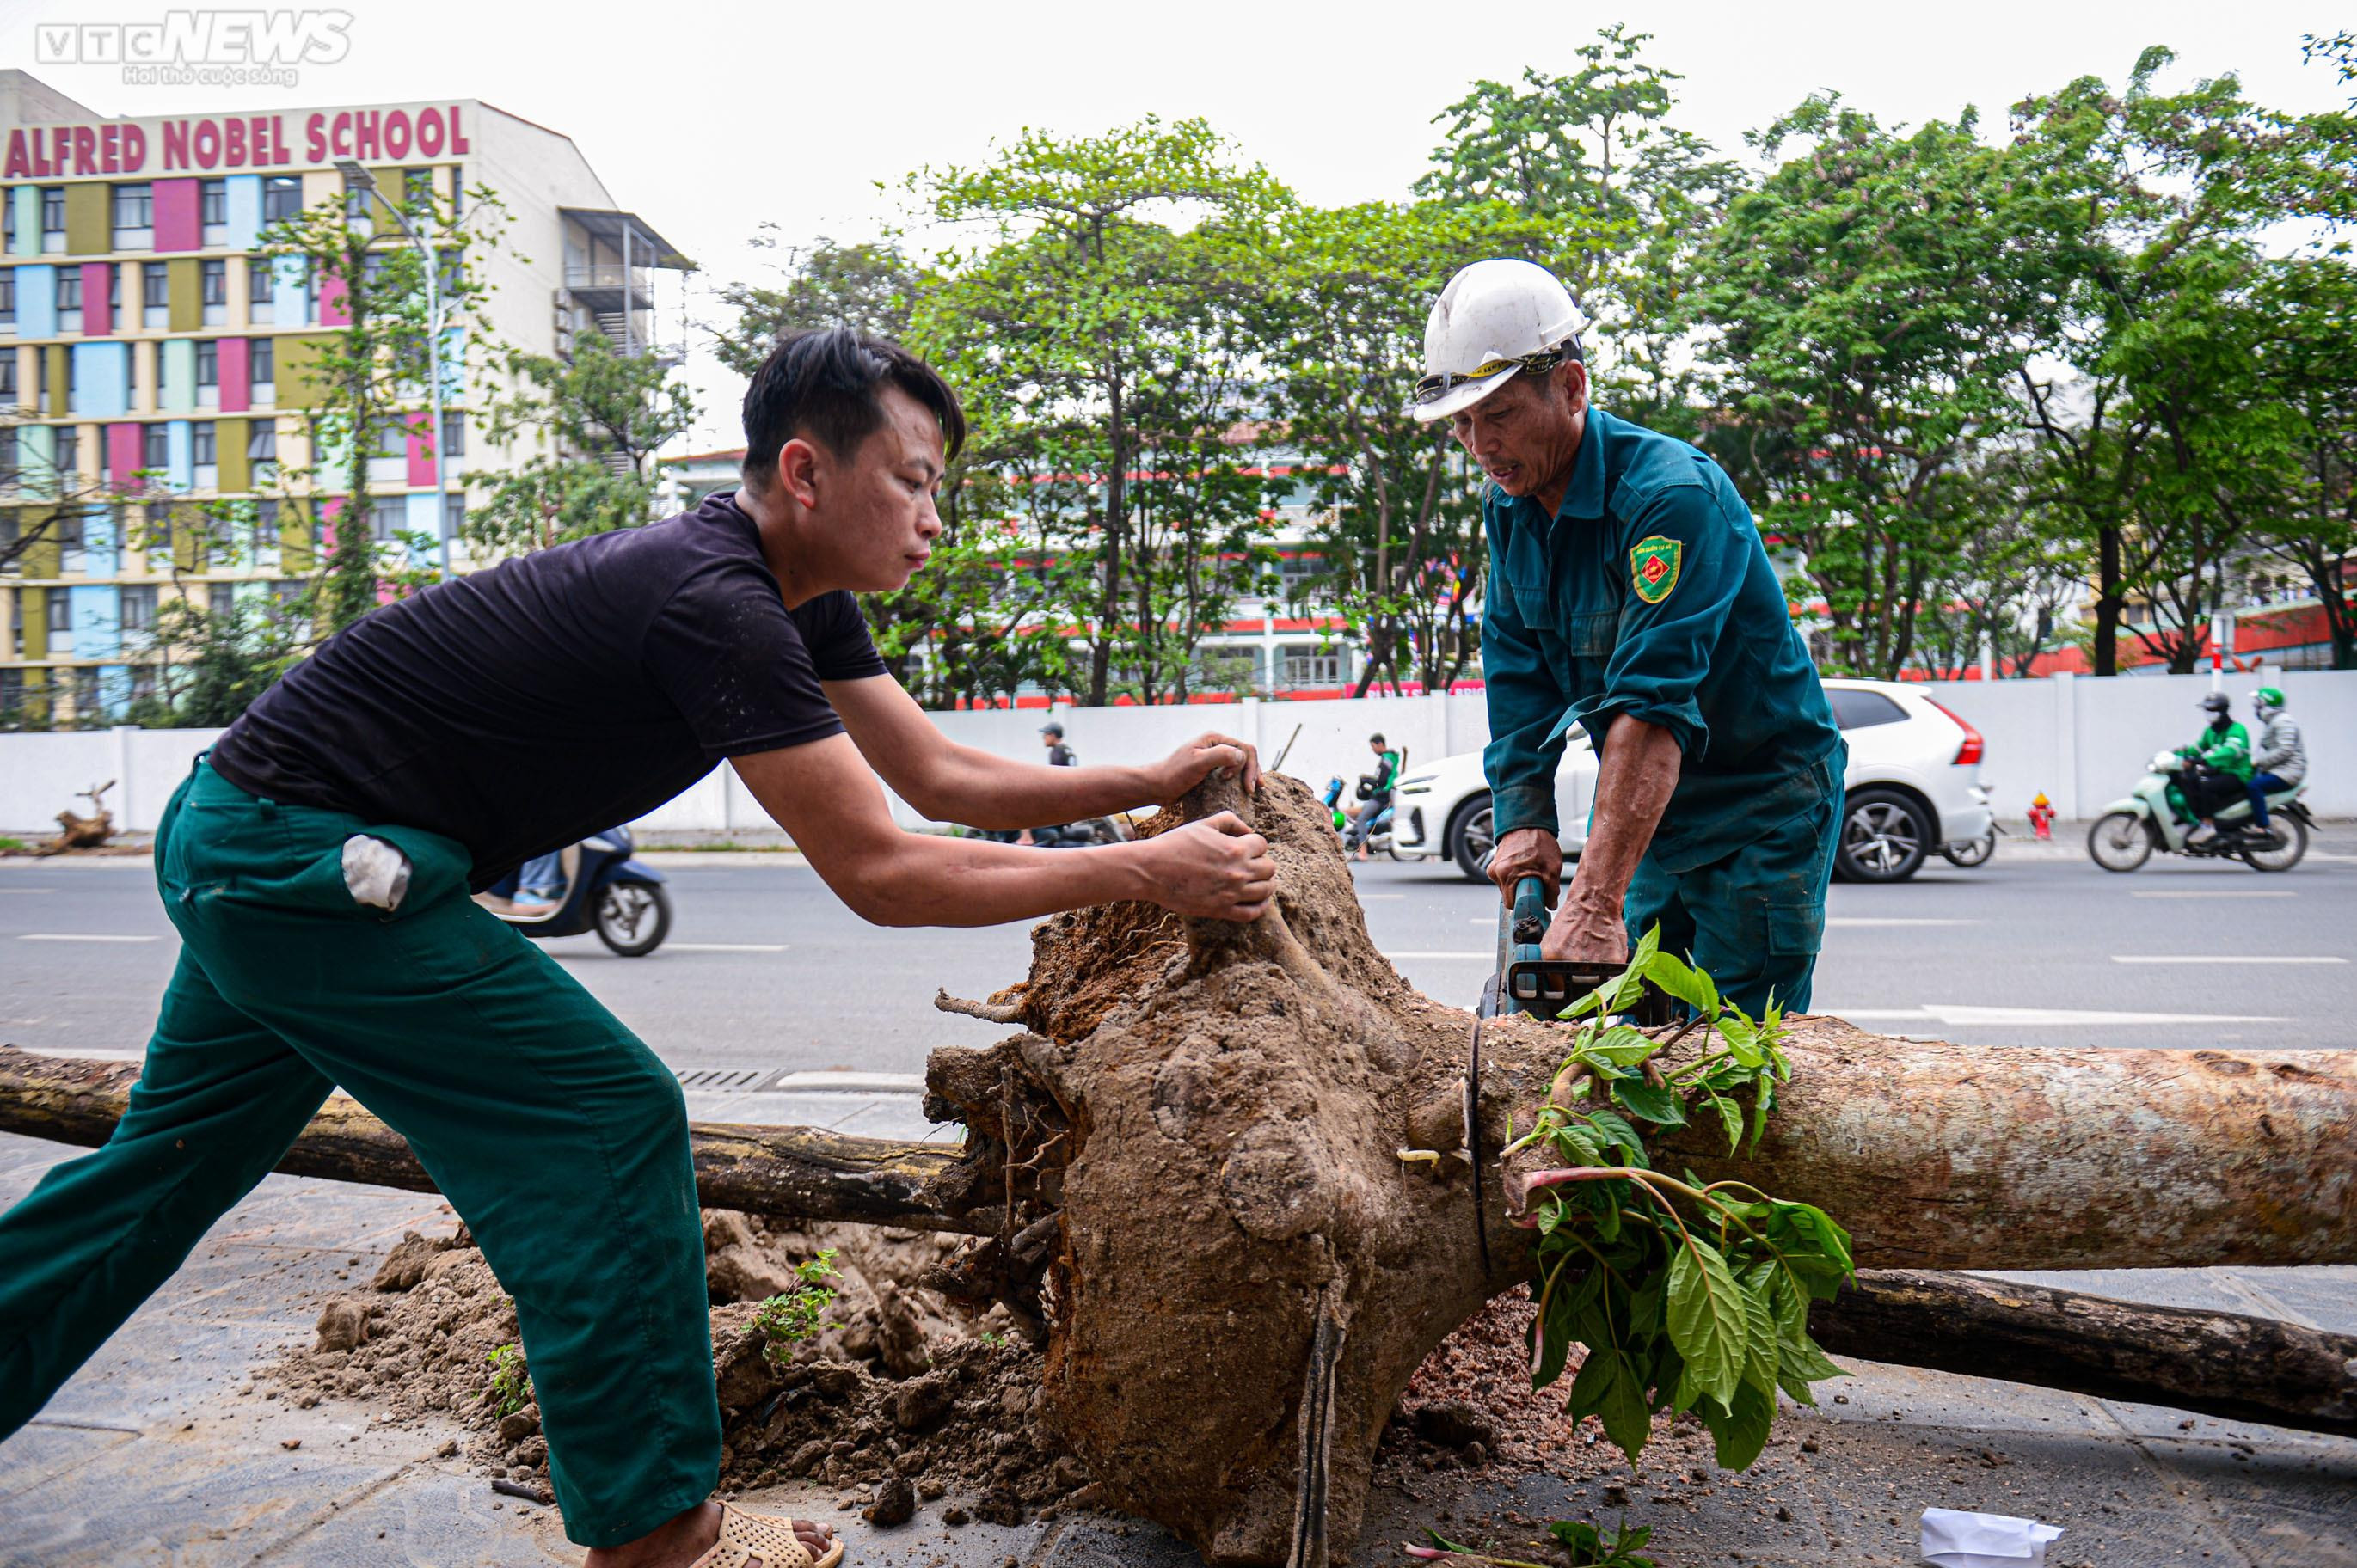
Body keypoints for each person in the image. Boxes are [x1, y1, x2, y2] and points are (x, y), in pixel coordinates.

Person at [0, 328, 1276, 1568]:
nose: (934, 515)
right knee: (604, 1119)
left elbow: (935, 774)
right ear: (804, 471)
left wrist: (1145, 779)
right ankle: (660, 1539)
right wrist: (1150, 871)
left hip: (253, 841)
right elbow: (880, 874)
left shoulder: (797, 598)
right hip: (299, 866)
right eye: (914, 480)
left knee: (161, 1174)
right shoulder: (714, 603)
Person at [1419, 259, 1844, 1015]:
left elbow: (1651, 708)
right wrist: (1524, 818)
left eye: (1500, 414)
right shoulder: (1509, 506)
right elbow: (1517, 673)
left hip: (1762, 805)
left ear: (1572, 388)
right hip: (1659, 810)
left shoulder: (1670, 497)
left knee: (1730, 1047)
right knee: (1635, 1024)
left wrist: (1590, 903)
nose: (1479, 444)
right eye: (1462, 422)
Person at [2179, 692, 2252, 845]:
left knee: (2206, 785)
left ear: (2223, 711)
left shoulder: (2237, 730)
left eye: (2212, 710)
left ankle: (2207, 825)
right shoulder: (2210, 731)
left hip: (2237, 774)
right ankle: (2198, 818)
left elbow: (2230, 750)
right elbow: (2198, 748)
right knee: (2190, 781)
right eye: (2207, 710)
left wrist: (2204, 760)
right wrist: (2180, 753)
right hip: (2219, 772)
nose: (2208, 714)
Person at [2245, 686, 2305, 835]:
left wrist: (2259, 762)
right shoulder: (2274, 722)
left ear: (2267, 705)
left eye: (2258, 704)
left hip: (2288, 772)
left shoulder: (2283, 722)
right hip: (2280, 770)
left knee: (2254, 786)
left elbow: (2285, 750)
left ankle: (2262, 826)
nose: (2256, 708)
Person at [1345, 732, 1402, 860]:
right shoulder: (1390, 758)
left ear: (1380, 744)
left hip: (1382, 796)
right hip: (1385, 794)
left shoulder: (1386, 759)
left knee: (1361, 819)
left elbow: (1381, 781)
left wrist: (1367, 781)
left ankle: (1363, 852)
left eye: (1373, 746)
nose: (1373, 749)